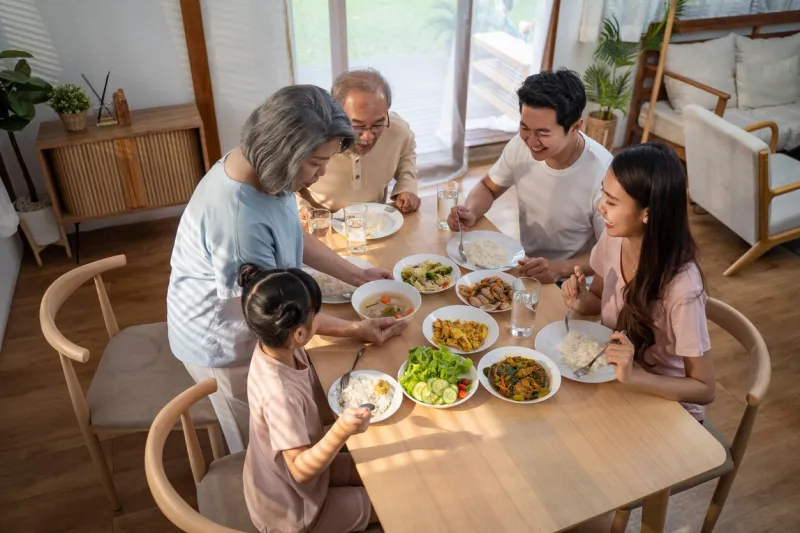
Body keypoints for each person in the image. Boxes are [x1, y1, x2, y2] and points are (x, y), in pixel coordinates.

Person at [167, 85, 407, 454]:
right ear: (285, 151)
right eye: (316, 163)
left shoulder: (263, 169)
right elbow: (281, 312)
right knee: (261, 447)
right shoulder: (239, 222)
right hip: (224, 341)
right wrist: (354, 329)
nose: (321, 173)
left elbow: (292, 232)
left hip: (262, 315)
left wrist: (358, 276)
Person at [561, 143, 715, 422]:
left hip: (668, 409)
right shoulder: (613, 238)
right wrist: (581, 300)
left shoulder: (682, 288)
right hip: (615, 382)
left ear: (648, 213)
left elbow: (704, 389)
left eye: (611, 202)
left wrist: (634, 376)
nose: (600, 207)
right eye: (603, 194)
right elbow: (598, 300)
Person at [239, 264, 377, 533]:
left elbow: (316, 325)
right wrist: (341, 430)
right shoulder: (280, 394)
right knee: (390, 500)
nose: (319, 319)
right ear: (300, 333)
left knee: (378, 472)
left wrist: (360, 328)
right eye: (315, 314)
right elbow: (300, 471)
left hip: (288, 479)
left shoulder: (275, 345)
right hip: (295, 511)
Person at [447, 68, 612, 284]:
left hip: (574, 282)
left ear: (575, 127)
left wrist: (560, 269)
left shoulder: (604, 173)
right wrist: (471, 210)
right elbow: (488, 187)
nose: (531, 141)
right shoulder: (520, 144)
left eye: (543, 133)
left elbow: (613, 250)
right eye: (525, 128)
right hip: (525, 266)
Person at [297, 68, 421, 216]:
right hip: (321, 220)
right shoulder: (309, 136)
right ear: (336, 113)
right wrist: (299, 207)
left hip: (376, 220)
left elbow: (406, 152)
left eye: (377, 124)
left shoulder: (397, 130)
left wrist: (407, 186)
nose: (368, 136)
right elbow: (283, 181)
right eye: (357, 126)